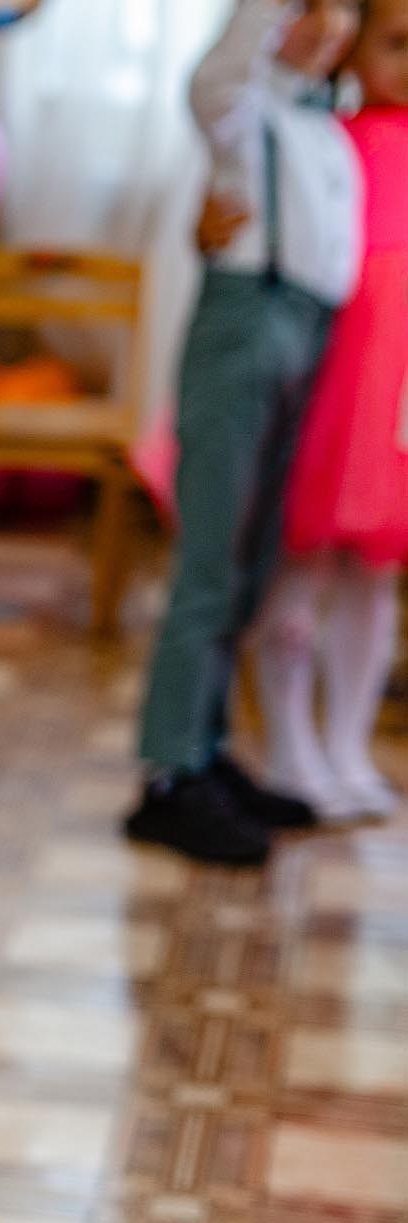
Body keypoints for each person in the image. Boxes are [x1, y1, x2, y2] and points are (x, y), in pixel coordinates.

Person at [125, 0, 363, 867]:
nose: (330, 23)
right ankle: (166, 775)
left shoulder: (321, 118)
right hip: (245, 323)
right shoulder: (240, 103)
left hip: (309, 332)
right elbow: (221, 67)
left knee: (253, 559)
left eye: (344, 9)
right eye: (311, 5)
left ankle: (207, 746)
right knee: (211, 556)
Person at [256, 0, 408, 823]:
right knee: (304, 562)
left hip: (401, 405)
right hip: (336, 387)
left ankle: (347, 742)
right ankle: (289, 741)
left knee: (376, 575)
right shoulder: (331, 145)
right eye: (398, 43)